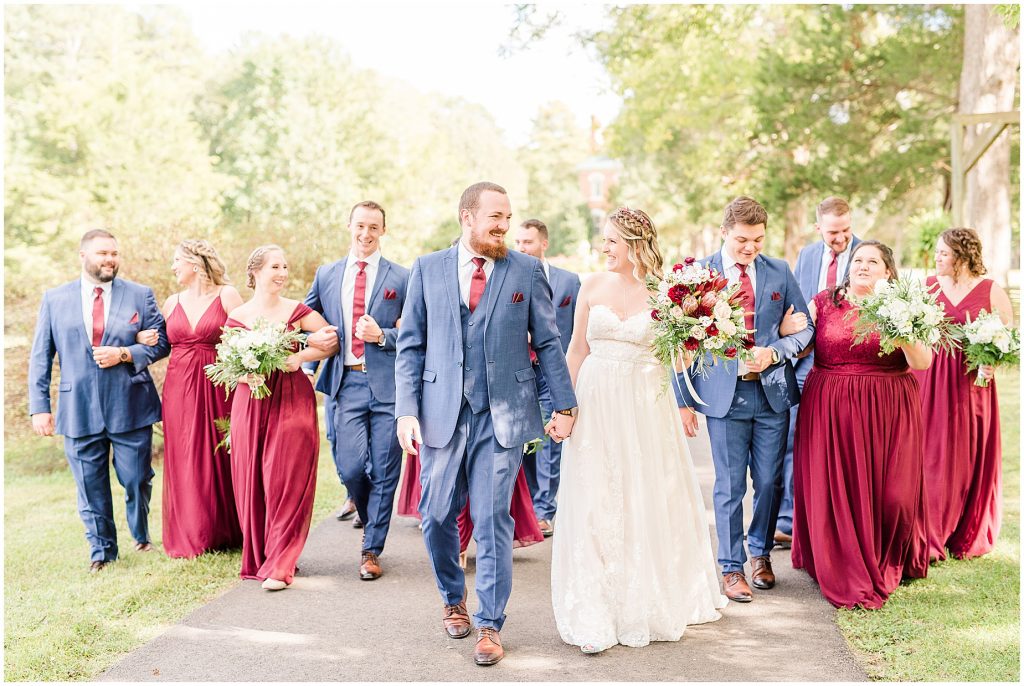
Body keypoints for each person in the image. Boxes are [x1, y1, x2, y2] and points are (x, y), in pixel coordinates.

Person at [395, 182, 577, 667]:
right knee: (434, 514)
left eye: (508, 218)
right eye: (495, 217)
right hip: (440, 412)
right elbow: (411, 345)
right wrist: (406, 411)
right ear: (467, 217)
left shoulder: (525, 269)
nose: (503, 227)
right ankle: (452, 598)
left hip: (504, 415)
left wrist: (564, 405)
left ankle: (490, 623)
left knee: (494, 516)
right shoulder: (427, 268)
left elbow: (550, 342)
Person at [551, 207, 727, 654]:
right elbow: (575, 350)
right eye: (603, 240)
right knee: (595, 494)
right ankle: (597, 602)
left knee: (644, 493)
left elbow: (679, 361)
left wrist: (696, 331)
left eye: (611, 241)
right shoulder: (589, 285)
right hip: (597, 400)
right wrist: (565, 408)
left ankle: (644, 596)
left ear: (634, 244)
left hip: (646, 404)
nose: (603, 248)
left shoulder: (668, 294)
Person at [675, 196, 814, 603]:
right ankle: (731, 567)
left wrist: (776, 349)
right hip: (723, 398)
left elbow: (804, 331)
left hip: (772, 394)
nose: (749, 247)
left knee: (769, 481)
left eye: (757, 239)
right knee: (730, 485)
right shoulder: (698, 275)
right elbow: (676, 342)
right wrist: (685, 400)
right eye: (741, 239)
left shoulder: (780, 272)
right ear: (723, 232)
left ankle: (761, 553)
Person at [791, 240, 931, 608]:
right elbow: (800, 341)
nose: (863, 266)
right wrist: (789, 332)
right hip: (830, 407)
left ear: (888, 272)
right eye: (858, 259)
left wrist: (902, 333)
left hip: (889, 408)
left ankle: (889, 550)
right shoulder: (824, 302)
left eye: (873, 261)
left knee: (894, 496)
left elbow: (923, 362)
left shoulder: (901, 307)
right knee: (840, 485)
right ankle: (838, 555)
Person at [29, 229, 170, 571]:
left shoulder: (139, 295)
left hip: (131, 404)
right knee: (90, 486)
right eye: (102, 253)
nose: (109, 259)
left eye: (114, 253)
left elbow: (162, 342)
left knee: (136, 478)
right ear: (83, 256)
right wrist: (40, 407)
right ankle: (102, 552)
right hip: (78, 409)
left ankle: (141, 535)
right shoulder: (55, 299)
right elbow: (40, 357)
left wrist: (124, 352)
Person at [304, 201, 409, 580]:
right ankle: (369, 515)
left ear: (383, 231)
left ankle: (371, 548)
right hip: (345, 381)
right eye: (360, 226)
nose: (366, 234)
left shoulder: (402, 277)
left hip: (389, 386)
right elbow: (302, 318)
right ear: (349, 226)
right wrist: (309, 339)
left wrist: (383, 335)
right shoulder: (327, 274)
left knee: (384, 469)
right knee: (350, 467)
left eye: (374, 227)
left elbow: (418, 333)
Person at [225, 245, 338, 590]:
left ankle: (281, 563)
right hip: (252, 403)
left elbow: (331, 339)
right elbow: (229, 366)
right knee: (253, 479)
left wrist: (299, 356)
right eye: (276, 266)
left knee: (285, 476)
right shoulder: (238, 316)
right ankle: (263, 554)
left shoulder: (298, 311)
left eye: (285, 266)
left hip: (291, 399)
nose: (283, 272)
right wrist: (247, 375)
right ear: (256, 271)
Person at [136, 240, 244, 558]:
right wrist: (142, 337)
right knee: (185, 455)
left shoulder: (227, 295)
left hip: (217, 384)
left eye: (177, 261)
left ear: (195, 264)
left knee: (218, 452)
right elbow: (158, 341)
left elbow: (246, 335)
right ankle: (192, 533)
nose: (173, 267)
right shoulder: (171, 303)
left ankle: (225, 529)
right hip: (179, 387)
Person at [912, 228, 1013, 560]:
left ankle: (964, 528)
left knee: (967, 453)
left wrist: (992, 363)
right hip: (930, 378)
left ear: (962, 256)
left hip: (971, 383)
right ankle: (929, 528)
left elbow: (1005, 339)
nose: (937, 257)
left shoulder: (991, 291)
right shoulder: (926, 287)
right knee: (929, 452)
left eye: (944, 253)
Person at [776, 197, 862, 547]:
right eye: (832, 233)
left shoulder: (866, 255)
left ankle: (834, 522)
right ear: (818, 229)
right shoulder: (808, 256)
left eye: (845, 230)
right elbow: (798, 306)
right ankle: (787, 519)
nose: (840, 238)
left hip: (848, 367)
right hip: (807, 363)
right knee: (794, 435)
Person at [514, 218, 581, 536]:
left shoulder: (570, 283)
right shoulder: (510, 276)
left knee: (549, 440)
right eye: (518, 242)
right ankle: (526, 509)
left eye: (527, 242)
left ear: (544, 243)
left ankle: (544, 509)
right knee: (524, 440)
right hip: (520, 372)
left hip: (554, 372)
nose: (521, 248)